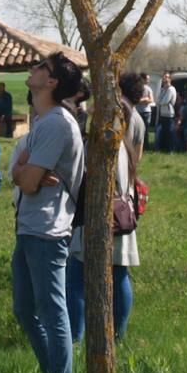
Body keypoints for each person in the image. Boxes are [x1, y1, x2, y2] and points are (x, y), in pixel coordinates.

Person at [10, 51, 85, 373]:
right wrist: (26, 171)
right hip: (30, 227)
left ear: (51, 82)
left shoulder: (56, 123)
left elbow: (24, 181)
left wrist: (26, 173)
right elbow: (19, 174)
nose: (34, 68)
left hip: (47, 232)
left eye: (41, 67)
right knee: (25, 311)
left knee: (53, 314)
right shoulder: (43, 121)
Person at [66, 92, 140, 343]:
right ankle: (115, 336)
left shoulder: (109, 140)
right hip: (116, 217)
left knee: (77, 279)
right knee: (117, 274)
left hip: (105, 218)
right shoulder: (118, 141)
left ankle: (78, 338)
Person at [155, 72, 177, 153]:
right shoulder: (162, 89)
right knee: (163, 133)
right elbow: (157, 100)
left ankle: (171, 149)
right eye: (164, 77)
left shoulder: (171, 89)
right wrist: (159, 101)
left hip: (169, 115)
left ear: (170, 79)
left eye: (167, 77)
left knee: (170, 133)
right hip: (162, 114)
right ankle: (163, 149)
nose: (165, 78)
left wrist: (159, 101)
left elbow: (165, 101)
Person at [136, 73, 155, 151]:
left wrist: (145, 100)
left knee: (146, 130)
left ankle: (146, 147)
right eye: (147, 79)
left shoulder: (149, 89)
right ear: (142, 79)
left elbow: (151, 100)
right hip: (138, 112)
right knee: (138, 130)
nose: (148, 80)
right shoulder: (137, 88)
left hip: (146, 112)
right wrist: (144, 99)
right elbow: (136, 99)